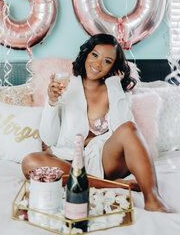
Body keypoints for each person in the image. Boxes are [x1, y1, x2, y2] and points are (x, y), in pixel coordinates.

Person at [22, 33, 170, 212]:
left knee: (130, 128)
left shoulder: (114, 90)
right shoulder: (66, 86)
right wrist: (52, 102)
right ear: (86, 54)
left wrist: (114, 84)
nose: (98, 64)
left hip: (104, 160)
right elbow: (49, 138)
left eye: (107, 61)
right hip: (67, 161)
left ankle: (152, 198)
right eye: (94, 55)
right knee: (30, 162)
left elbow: (123, 129)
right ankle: (111, 185)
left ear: (113, 67)